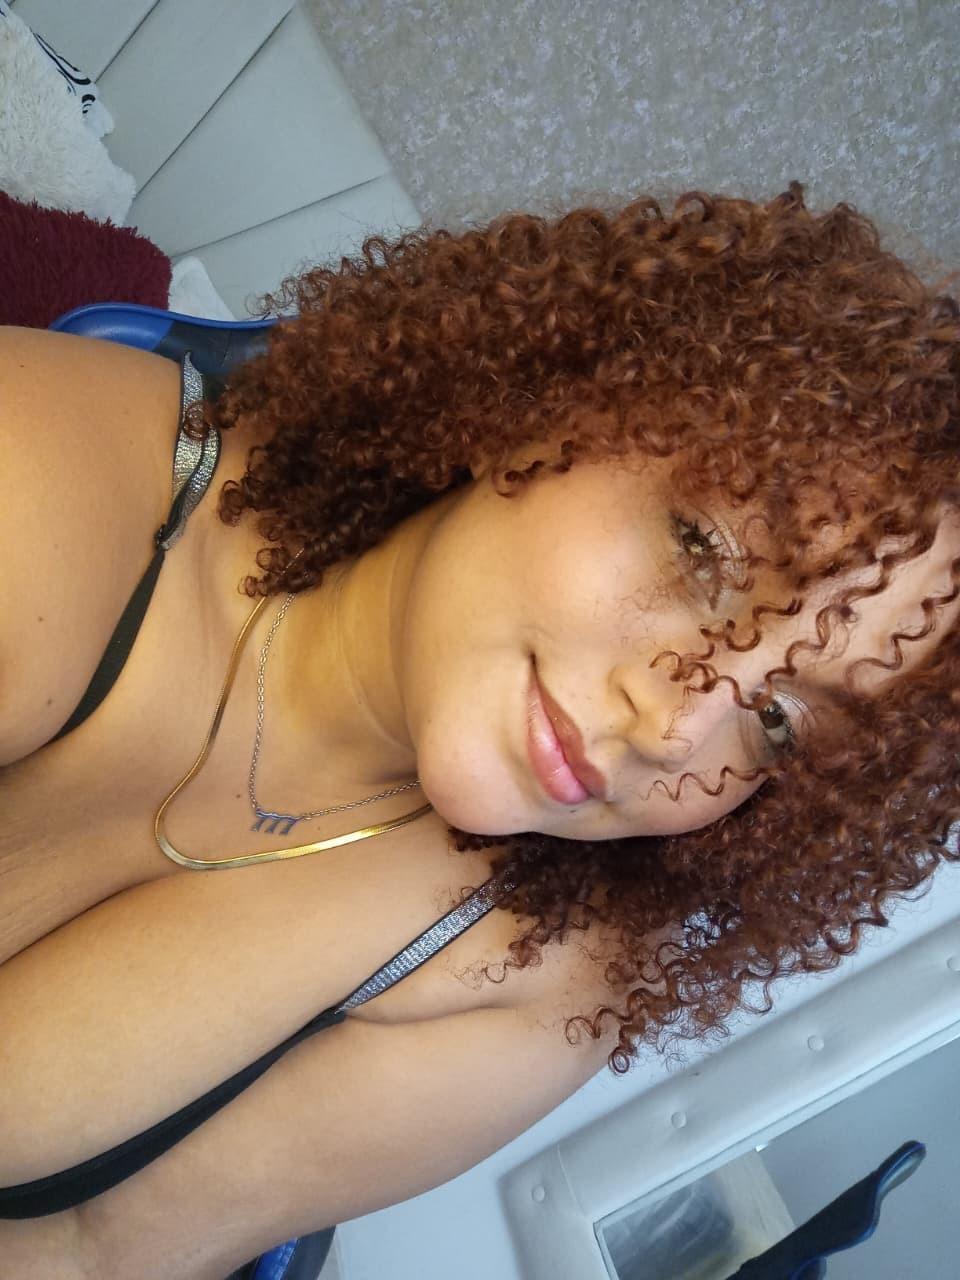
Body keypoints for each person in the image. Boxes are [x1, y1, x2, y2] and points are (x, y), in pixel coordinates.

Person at [1, 180, 958, 1279]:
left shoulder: (534, 977)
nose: (678, 722)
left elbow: (98, 1255)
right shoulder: (42, 487)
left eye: (780, 726)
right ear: (565, 393)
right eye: (704, 553)